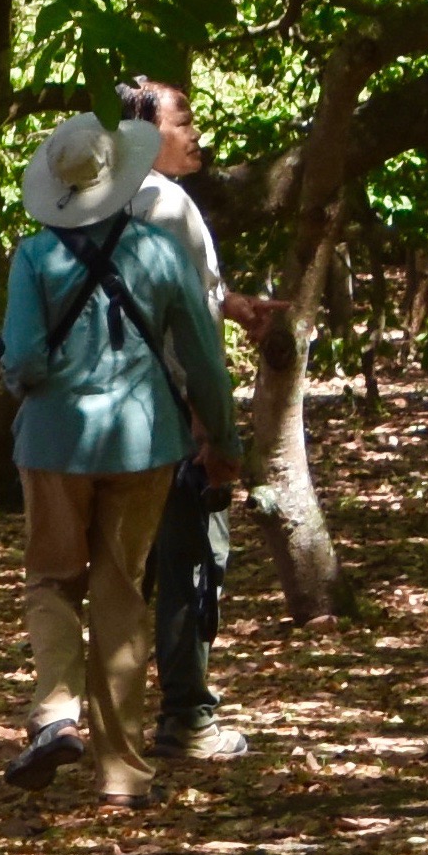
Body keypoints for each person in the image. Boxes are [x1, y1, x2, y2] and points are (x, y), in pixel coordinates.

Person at [0, 111, 240, 806]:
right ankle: (122, 771)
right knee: (121, 590)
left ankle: (54, 714)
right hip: (144, 445)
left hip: (53, 444)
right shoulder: (159, 253)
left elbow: (23, 359)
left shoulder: (34, 257)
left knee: (50, 580)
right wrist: (223, 442)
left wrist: (25, 375)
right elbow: (203, 360)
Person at [121, 78, 276, 763]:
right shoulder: (167, 205)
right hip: (172, 414)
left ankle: (107, 719)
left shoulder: (93, 203)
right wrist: (211, 431)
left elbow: (185, 294)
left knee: (119, 569)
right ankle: (186, 717)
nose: (195, 134)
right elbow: (182, 329)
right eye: (183, 121)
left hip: (103, 416)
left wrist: (233, 303)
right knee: (189, 562)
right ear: (147, 132)